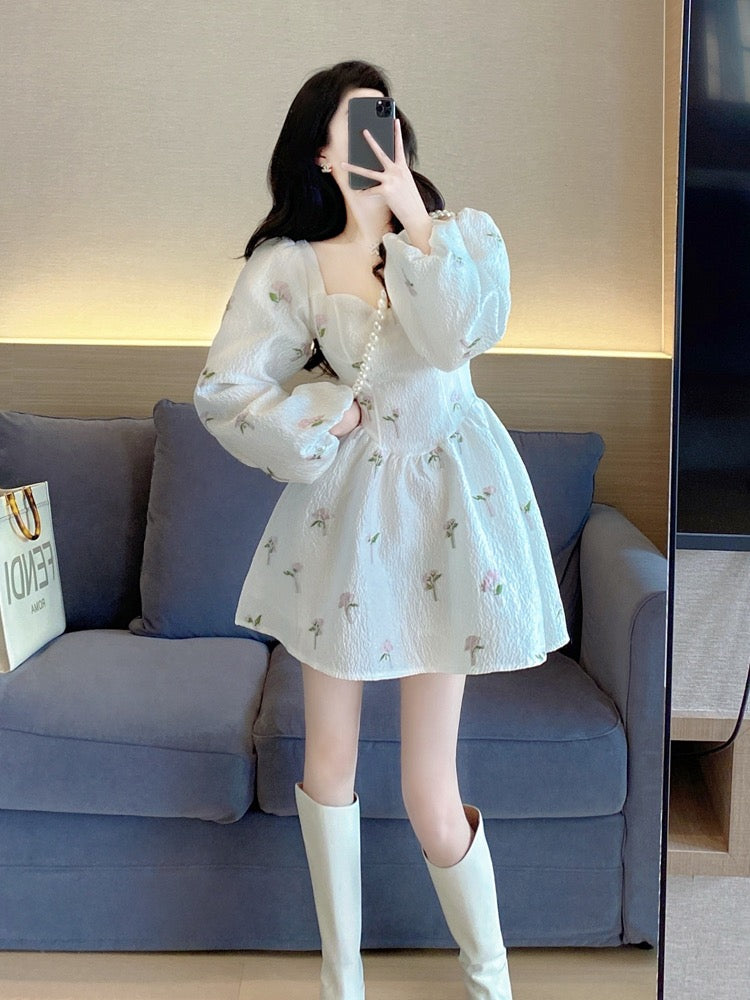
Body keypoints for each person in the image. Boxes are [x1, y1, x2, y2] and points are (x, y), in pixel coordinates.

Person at [194, 59, 570, 1000]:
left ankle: (491, 981)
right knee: (327, 764)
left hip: (450, 513)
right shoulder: (290, 264)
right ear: (321, 150)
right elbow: (227, 391)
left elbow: (455, 341)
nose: (377, 133)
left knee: (428, 788)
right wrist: (325, 411)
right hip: (349, 520)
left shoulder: (454, 239)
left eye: (386, 116)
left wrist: (411, 214)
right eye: (354, 121)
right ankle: (343, 980)